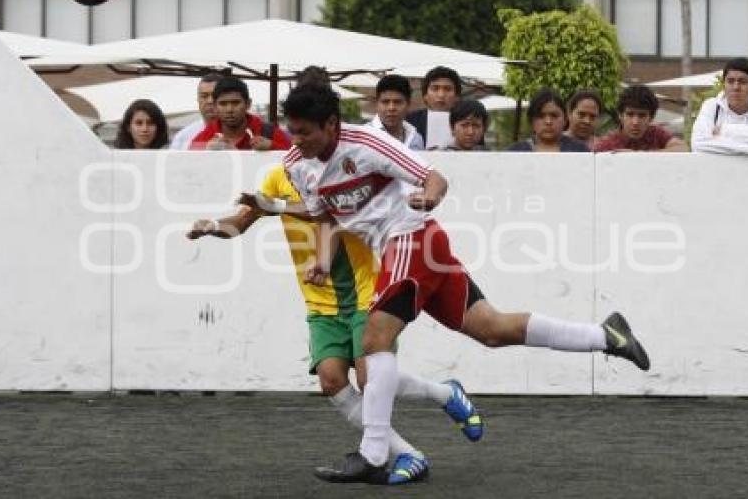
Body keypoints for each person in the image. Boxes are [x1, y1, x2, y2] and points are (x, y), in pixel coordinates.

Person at [251, 84, 650, 485]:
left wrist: (429, 198)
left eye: (305, 132)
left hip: (412, 236)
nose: (297, 140)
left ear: (333, 124)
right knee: (493, 330)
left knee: (374, 338)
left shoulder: (367, 143)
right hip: (417, 252)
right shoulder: (296, 164)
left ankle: (373, 454)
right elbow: (325, 217)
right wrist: (320, 259)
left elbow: (434, 178)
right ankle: (607, 335)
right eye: (293, 130)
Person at [188, 165, 481, 485]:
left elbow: (325, 213)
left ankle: (439, 399)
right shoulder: (276, 178)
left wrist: (276, 206)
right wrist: (213, 225)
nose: (299, 141)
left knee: (370, 379)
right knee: (331, 380)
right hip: (319, 301)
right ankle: (414, 445)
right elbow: (243, 220)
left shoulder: (341, 172)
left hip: (364, 292)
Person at [198, 76, 291, 151]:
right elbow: (189, 171)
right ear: (215, 106)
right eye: (223, 104)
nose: (229, 109)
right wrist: (205, 154)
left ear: (248, 104)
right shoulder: (203, 138)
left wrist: (273, 147)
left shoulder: (270, 134)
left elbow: (298, 163)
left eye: (236, 102)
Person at [594, 85, 688, 152]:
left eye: (642, 115)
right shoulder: (607, 144)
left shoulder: (656, 134)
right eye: (630, 115)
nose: (635, 122)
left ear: (651, 118)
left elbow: (683, 148)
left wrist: (639, 156)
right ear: (620, 115)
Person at [508, 89, 590, 152]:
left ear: (565, 119)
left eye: (554, 116)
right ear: (531, 121)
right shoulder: (516, 151)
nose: (548, 121)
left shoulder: (579, 150)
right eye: (541, 116)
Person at [406, 66, 462, 149]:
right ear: (425, 95)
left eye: (447, 89)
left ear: (457, 96)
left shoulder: (466, 121)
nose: (441, 95)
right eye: (435, 89)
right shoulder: (410, 121)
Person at [367, 75, 424, 150]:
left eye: (397, 102)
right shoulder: (364, 136)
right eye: (385, 102)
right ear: (377, 104)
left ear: (408, 104)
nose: (391, 108)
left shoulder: (416, 139)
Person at [169, 73, 223, 150]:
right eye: (204, 96)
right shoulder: (182, 137)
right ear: (197, 100)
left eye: (215, 96)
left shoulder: (241, 132)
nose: (210, 101)